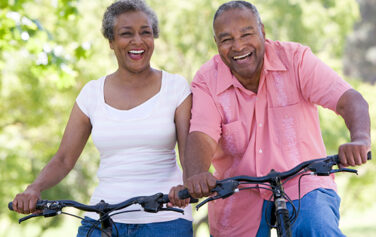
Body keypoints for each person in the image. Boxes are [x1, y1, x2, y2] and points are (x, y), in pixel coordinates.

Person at [182, 1, 371, 237]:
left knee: (318, 226)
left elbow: (348, 99)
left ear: (263, 31)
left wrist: (360, 139)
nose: (238, 45)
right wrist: (197, 172)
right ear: (217, 44)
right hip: (238, 191)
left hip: (303, 182)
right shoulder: (207, 79)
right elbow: (201, 134)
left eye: (247, 34)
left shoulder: (295, 59)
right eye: (226, 39)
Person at [11, 0, 193, 236]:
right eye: (126, 34)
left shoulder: (176, 88)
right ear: (111, 41)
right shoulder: (91, 93)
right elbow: (64, 158)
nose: (137, 41)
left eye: (145, 33)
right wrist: (34, 188)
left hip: (166, 219)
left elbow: (190, 153)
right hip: (103, 219)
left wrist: (188, 187)